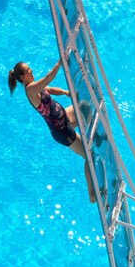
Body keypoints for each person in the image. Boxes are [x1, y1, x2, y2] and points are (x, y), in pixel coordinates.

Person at [9, 59, 96, 202]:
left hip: (65, 118)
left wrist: (66, 92)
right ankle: (92, 193)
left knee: (83, 105)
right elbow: (48, 78)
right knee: (89, 156)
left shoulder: (35, 87)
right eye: (28, 70)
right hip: (62, 131)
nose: (31, 70)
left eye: (29, 67)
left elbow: (49, 89)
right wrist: (59, 64)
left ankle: (90, 132)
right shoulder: (30, 90)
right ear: (22, 77)